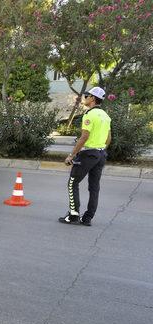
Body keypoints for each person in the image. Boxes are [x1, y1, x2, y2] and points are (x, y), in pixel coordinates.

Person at [59, 87, 111, 226]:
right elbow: (108, 138)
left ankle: (74, 215)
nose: (85, 97)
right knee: (94, 187)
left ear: (93, 98)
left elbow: (84, 137)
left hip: (88, 154)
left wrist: (71, 155)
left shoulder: (89, 115)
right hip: (100, 154)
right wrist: (100, 150)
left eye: (87, 95)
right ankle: (87, 218)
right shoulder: (106, 116)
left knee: (72, 183)